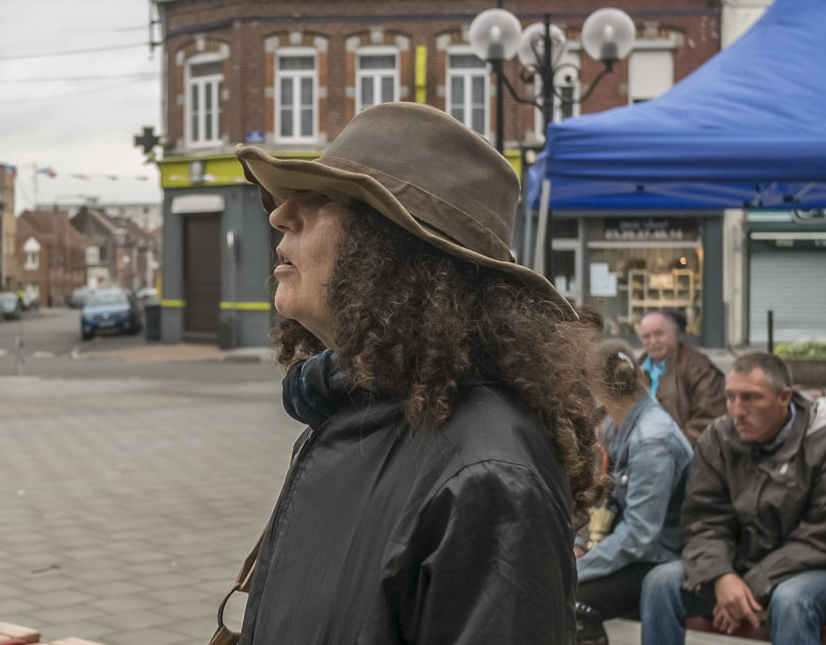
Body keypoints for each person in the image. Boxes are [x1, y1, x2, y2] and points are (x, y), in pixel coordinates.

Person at [230, 102, 600, 644]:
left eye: (322, 198)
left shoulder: (488, 479)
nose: (280, 215)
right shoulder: (358, 411)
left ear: (393, 249)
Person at [641, 352, 826, 645]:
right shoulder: (717, 437)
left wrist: (748, 584)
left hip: (816, 568)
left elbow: (825, 539)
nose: (737, 410)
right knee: (660, 583)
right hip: (738, 560)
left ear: (784, 397)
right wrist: (721, 576)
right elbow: (703, 520)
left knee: (790, 602)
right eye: (730, 397)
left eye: (750, 398)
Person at [575, 341, 693, 645]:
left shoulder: (651, 440)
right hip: (633, 551)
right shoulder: (618, 425)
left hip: (660, 558)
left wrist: (577, 568)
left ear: (595, 389)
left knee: (568, 598)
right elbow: (601, 500)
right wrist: (577, 545)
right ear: (640, 374)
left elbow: (640, 535)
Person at [636, 310, 726, 443]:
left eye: (659, 334)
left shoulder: (700, 368)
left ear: (675, 334)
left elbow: (709, 419)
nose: (653, 341)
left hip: (680, 453)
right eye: (646, 336)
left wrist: (671, 446)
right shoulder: (639, 367)